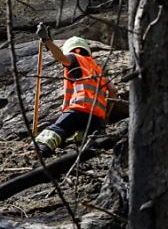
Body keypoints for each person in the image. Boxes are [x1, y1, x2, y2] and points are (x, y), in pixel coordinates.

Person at [33, 23, 118, 157]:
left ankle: (42, 149)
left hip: (79, 109)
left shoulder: (74, 58)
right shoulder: (98, 68)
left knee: (58, 129)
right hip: (97, 117)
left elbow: (61, 58)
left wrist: (46, 40)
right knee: (89, 139)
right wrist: (105, 118)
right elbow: (113, 90)